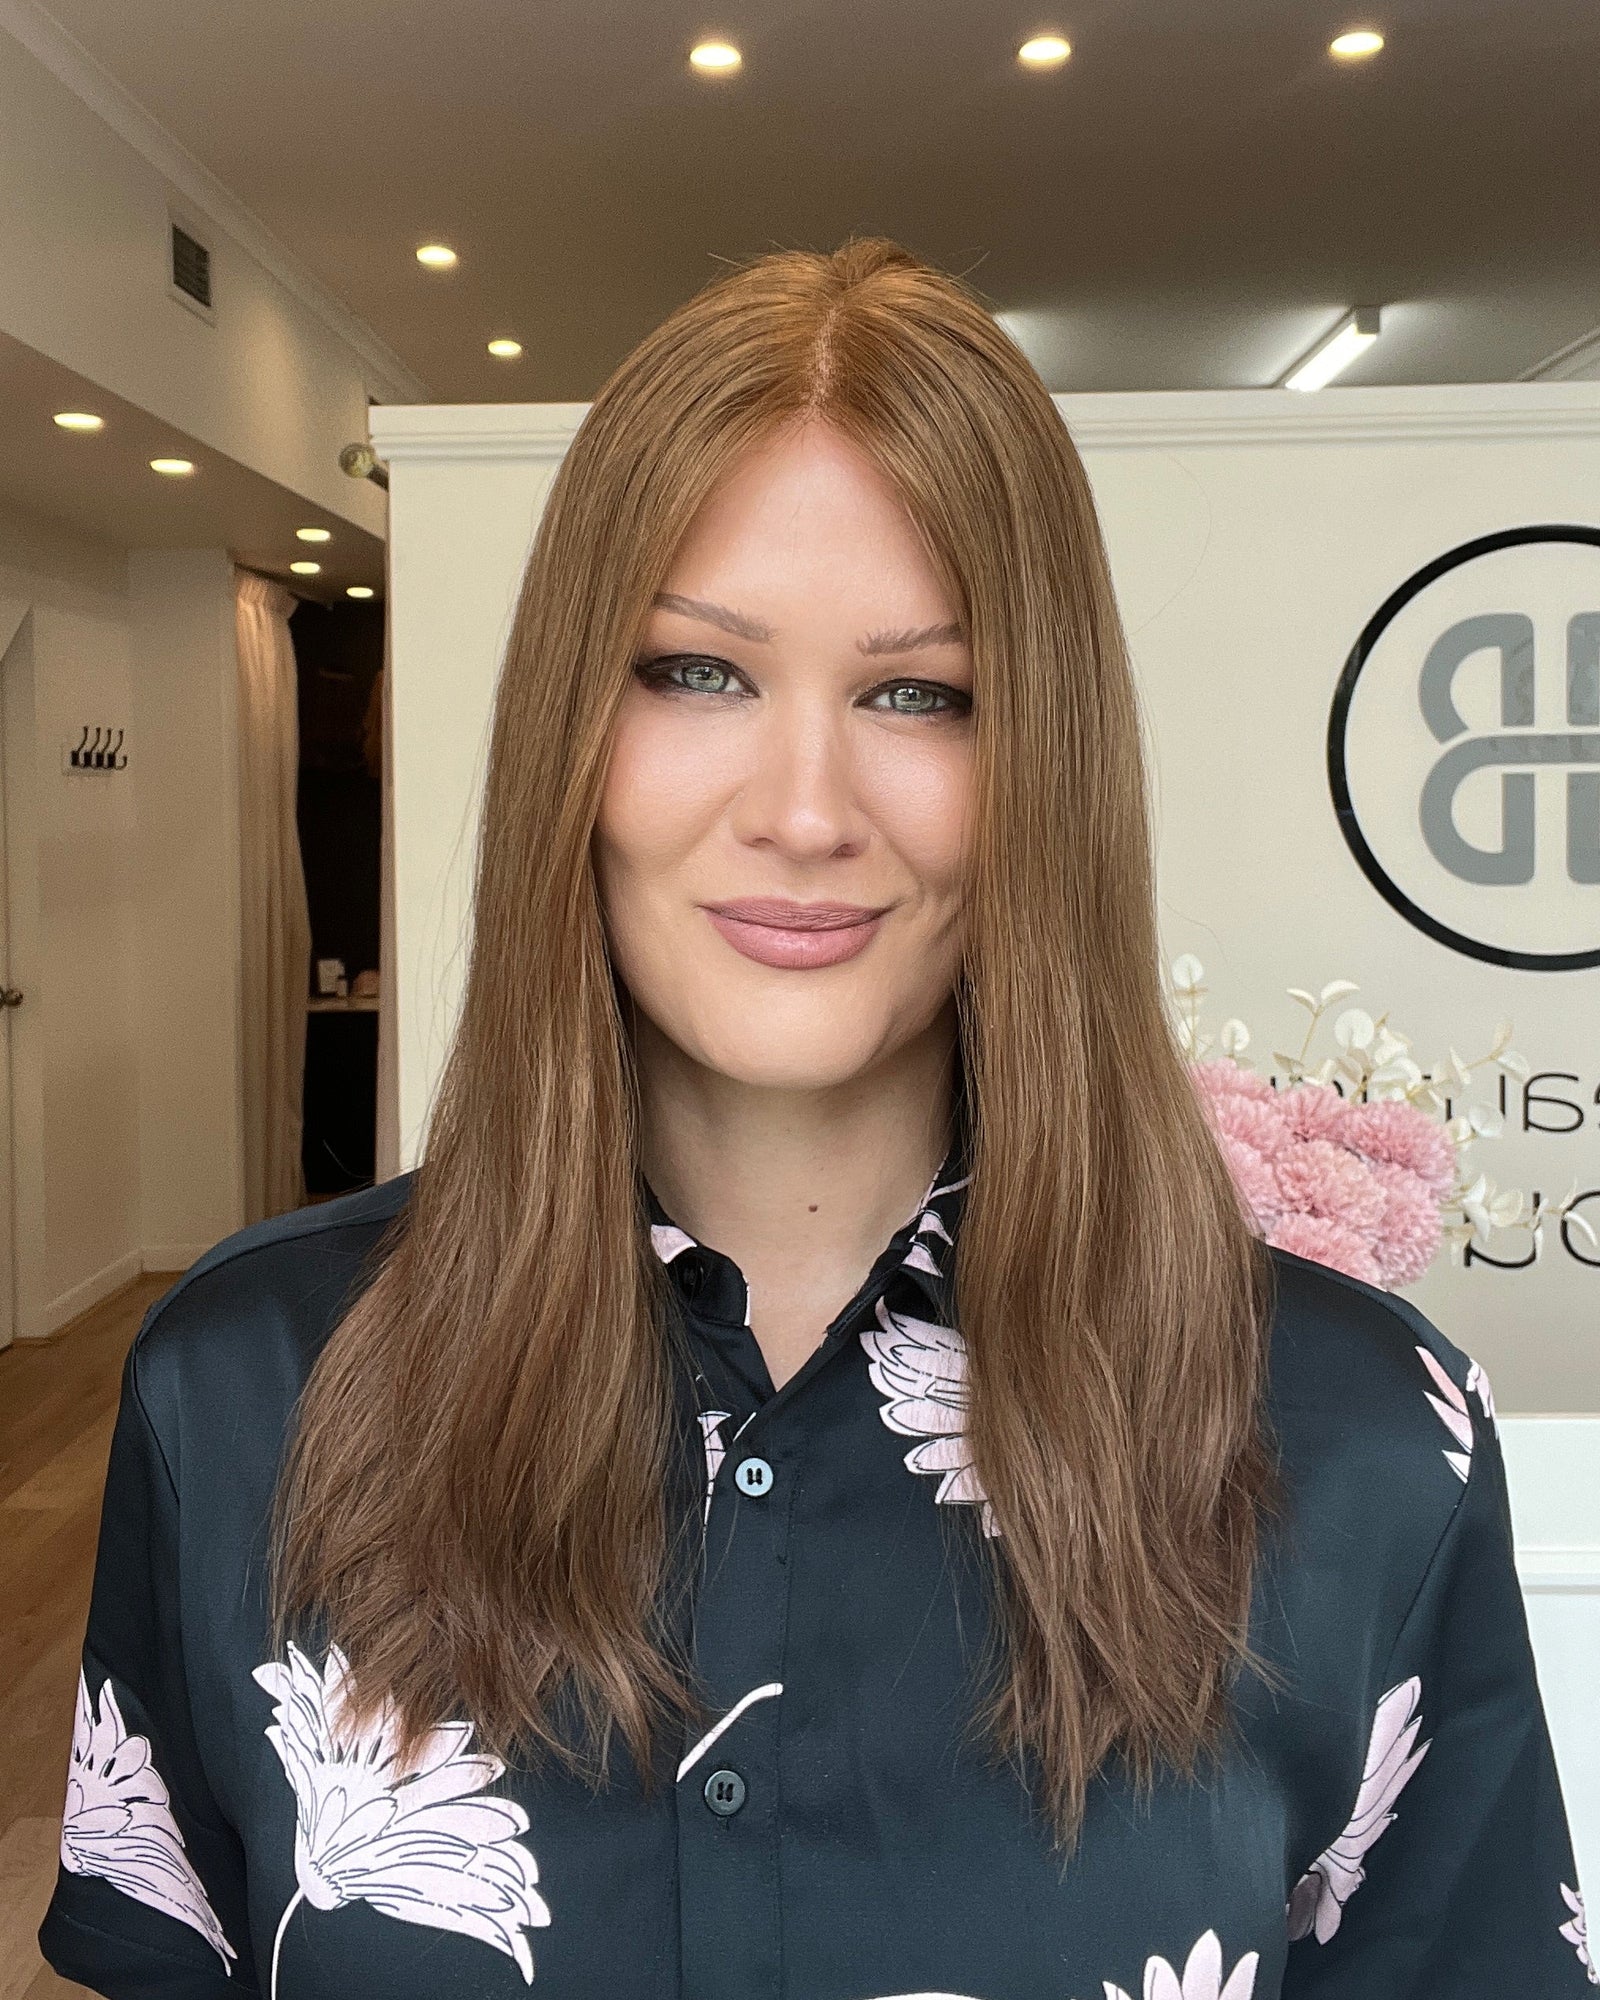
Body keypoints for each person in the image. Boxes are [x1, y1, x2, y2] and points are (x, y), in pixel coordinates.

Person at [39, 238, 1593, 2000]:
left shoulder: (1364, 1437)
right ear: (575, 727)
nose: (802, 808)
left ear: (1043, 769)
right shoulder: (244, 1389)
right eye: (699, 672)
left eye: (919, 694)